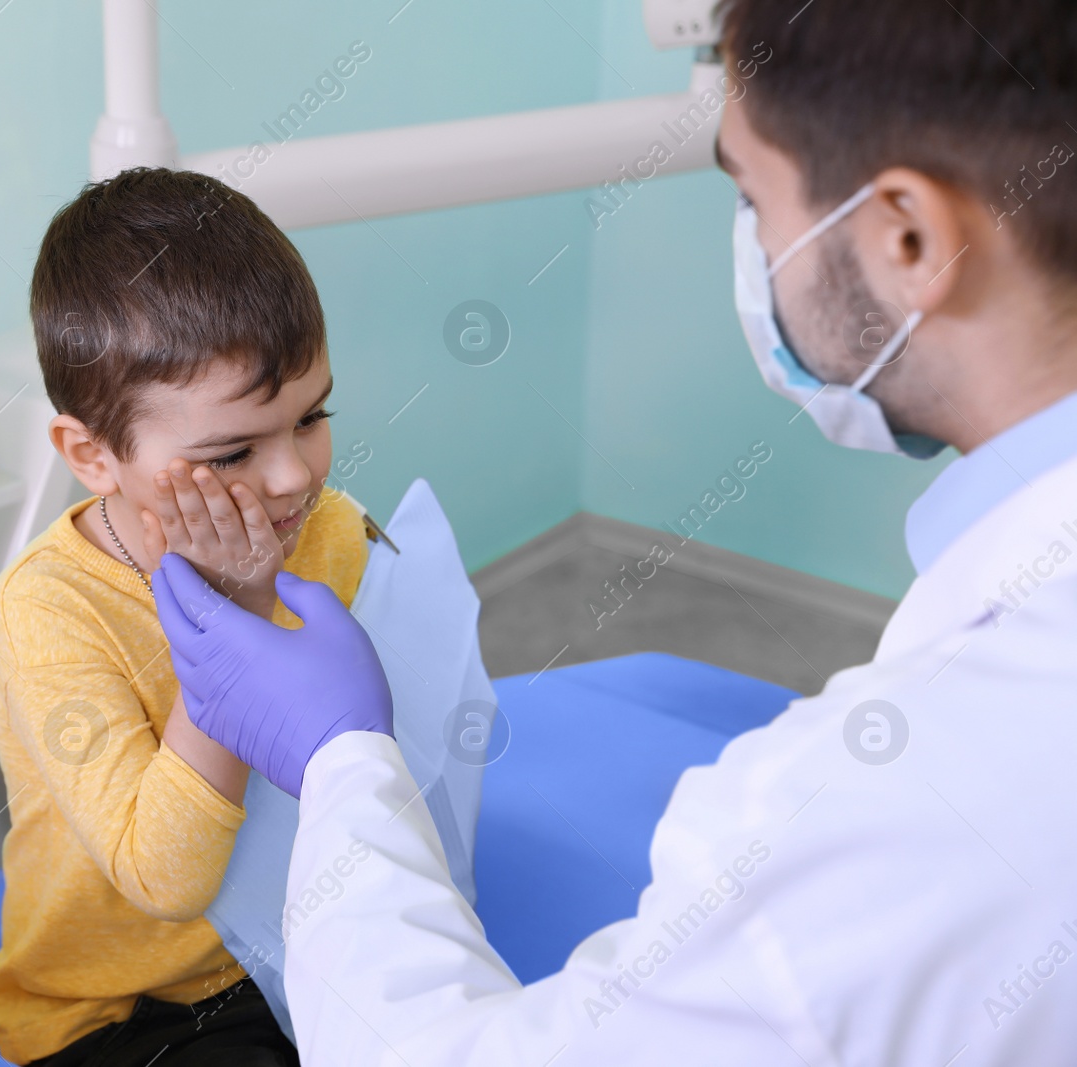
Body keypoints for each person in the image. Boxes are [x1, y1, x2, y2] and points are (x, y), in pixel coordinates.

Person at [149, 0, 1077, 1063]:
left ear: (905, 236)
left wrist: (337, 757)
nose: (287, 475)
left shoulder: (896, 814)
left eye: (750, 194)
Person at [0, 167, 375, 1066]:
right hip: (121, 1009)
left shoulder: (333, 533)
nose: (292, 478)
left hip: (298, 933)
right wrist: (233, 618)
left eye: (313, 417)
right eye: (232, 451)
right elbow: (166, 878)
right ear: (93, 454)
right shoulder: (50, 611)